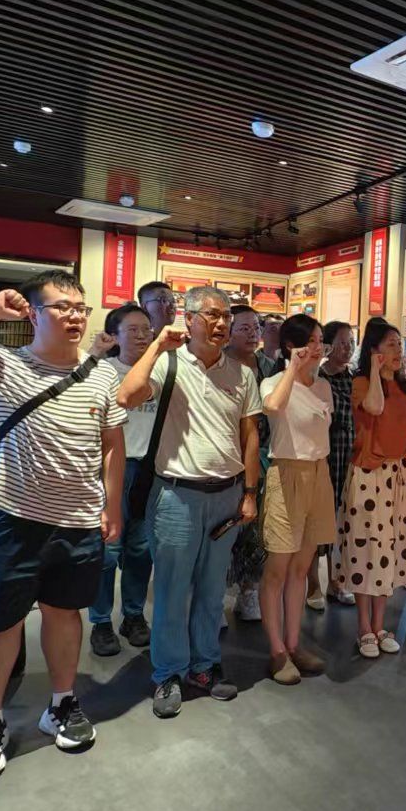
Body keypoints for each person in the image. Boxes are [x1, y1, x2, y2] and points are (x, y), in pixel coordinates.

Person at [0, 271, 126, 783]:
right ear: (33, 314)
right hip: (11, 517)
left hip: (78, 518)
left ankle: (62, 702)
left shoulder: (103, 374)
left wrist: (111, 503)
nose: (75, 316)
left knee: (65, 614)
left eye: (80, 307)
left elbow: (112, 444)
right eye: (62, 307)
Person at [117, 286, 261, 716]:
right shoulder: (168, 363)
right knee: (173, 588)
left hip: (227, 495)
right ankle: (168, 672)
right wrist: (157, 345)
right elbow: (127, 396)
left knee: (213, 589)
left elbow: (250, 436)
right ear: (190, 318)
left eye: (226, 317)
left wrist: (249, 493)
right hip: (176, 494)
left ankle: (204, 665)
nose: (221, 324)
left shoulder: (242, 374)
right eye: (212, 315)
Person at [336, 318, 406, 658]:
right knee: (366, 549)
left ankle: (379, 623)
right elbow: (373, 407)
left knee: (391, 549)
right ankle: (364, 627)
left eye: (400, 344)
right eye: (390, 344)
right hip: (369, 474)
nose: (398, 350)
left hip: (401, 474)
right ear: (374, 350)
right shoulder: (361, 383)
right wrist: (375, 370)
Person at [256, 314, 336, 683]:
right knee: (277, 569)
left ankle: (293, 643)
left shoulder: (323, 387)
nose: (319, 348)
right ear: (292, 345)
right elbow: (273, 408)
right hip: (286, 472)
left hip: (319, 473)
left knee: (302, 568)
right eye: (312, 341)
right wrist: (292, 367)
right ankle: (276, 651)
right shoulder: (273, 382)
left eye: (321, 341)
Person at [87, 304, 157, 657]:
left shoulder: (161, 370)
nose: (142, 335)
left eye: (146, 329)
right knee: (107, 550)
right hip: (110, 469)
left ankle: (133, 615)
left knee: (141, 550)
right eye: (133, 329)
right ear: (114, 336)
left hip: (150, 470)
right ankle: (100, 621)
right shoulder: (102, 370)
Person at [225, 304, 268, 623]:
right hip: (225, 460)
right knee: (225, 529)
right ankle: (215, 595)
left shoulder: (270, 366)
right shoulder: (217, 364)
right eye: (244, 328)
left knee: (255, 532)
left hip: (263, 460)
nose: (253, 334)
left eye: (256, 327)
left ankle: (249, 591)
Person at [316, 320, 358, 608]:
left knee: (346, 520)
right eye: (342, 342)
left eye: (351, 342)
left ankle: (338, 580)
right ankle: (314, 584)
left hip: (352, 457)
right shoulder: (318, 378)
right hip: (327, 457)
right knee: (322, 521)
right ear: (328, 346)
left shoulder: (356, 378)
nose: (348, 348)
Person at [257, 314, 285, 380]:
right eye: (273, 329)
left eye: (282, 329)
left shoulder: (291, 359)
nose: (279, 332)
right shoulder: (252, 360)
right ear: (261, 332)